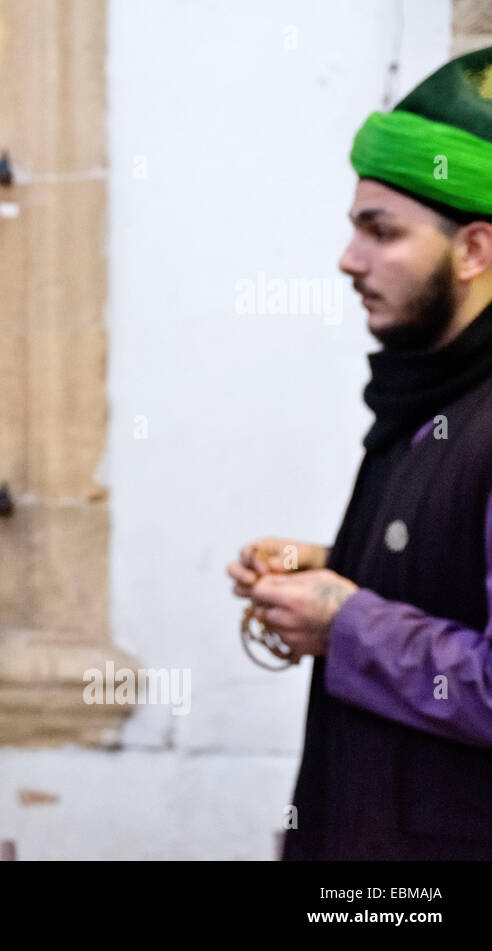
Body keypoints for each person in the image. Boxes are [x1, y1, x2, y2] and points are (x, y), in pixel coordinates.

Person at [227, 47, 492, 859]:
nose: (350, 259)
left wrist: (346, 621)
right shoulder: (429, 392)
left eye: (382, 233)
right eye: (355, 228)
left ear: (475, 250)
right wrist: (340, 565)